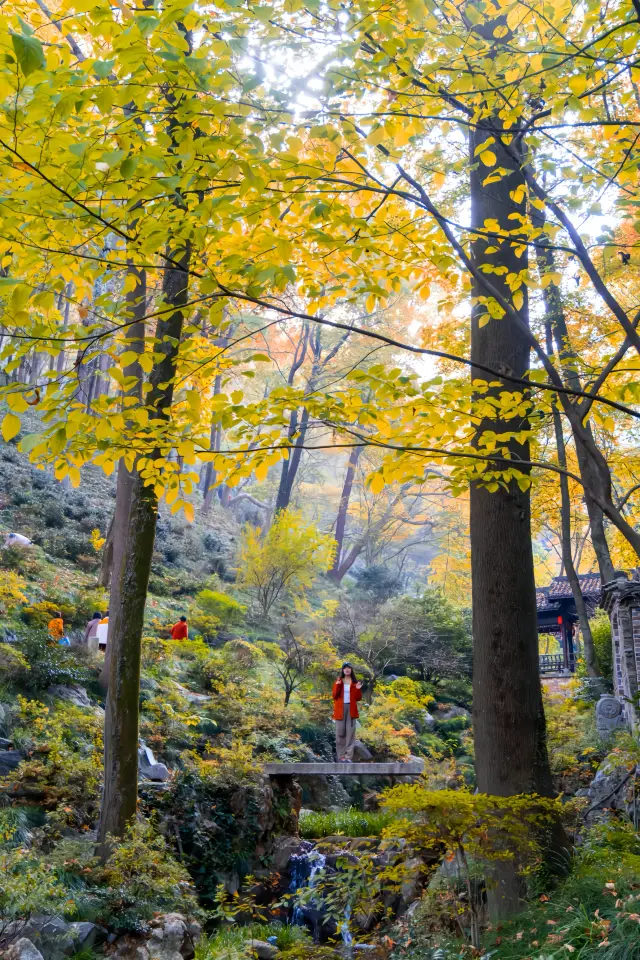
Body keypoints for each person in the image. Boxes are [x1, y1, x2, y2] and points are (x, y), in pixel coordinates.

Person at [332, 663, 363, 763]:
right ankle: (341, 756)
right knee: (340, 732)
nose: (347, 670)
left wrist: (358, 689)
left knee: (350, 733)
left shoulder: (355, 683)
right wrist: (337, 685)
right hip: (340, 709)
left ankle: (348, 757)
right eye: (345, 668)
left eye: (349, 668)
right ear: (342, 670)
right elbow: (334, 695)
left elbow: (358, 698)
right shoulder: (338, 681)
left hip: (351, 708)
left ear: (351, 670)